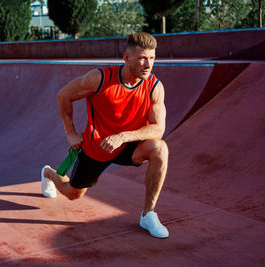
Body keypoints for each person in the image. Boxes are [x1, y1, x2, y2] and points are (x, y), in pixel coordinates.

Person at [41, 32, 169, 238]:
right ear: (127, 58)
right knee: (73, 194)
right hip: (97, 147)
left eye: (152, 58)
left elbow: (158, 128)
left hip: (128, 145)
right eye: (143, 58)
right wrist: (71, 133)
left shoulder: (154, 86)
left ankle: (148, 214)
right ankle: (48, 173)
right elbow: (64, 95)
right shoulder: (99, 79)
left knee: (160, 148)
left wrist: (123, 137)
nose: (148, 64)